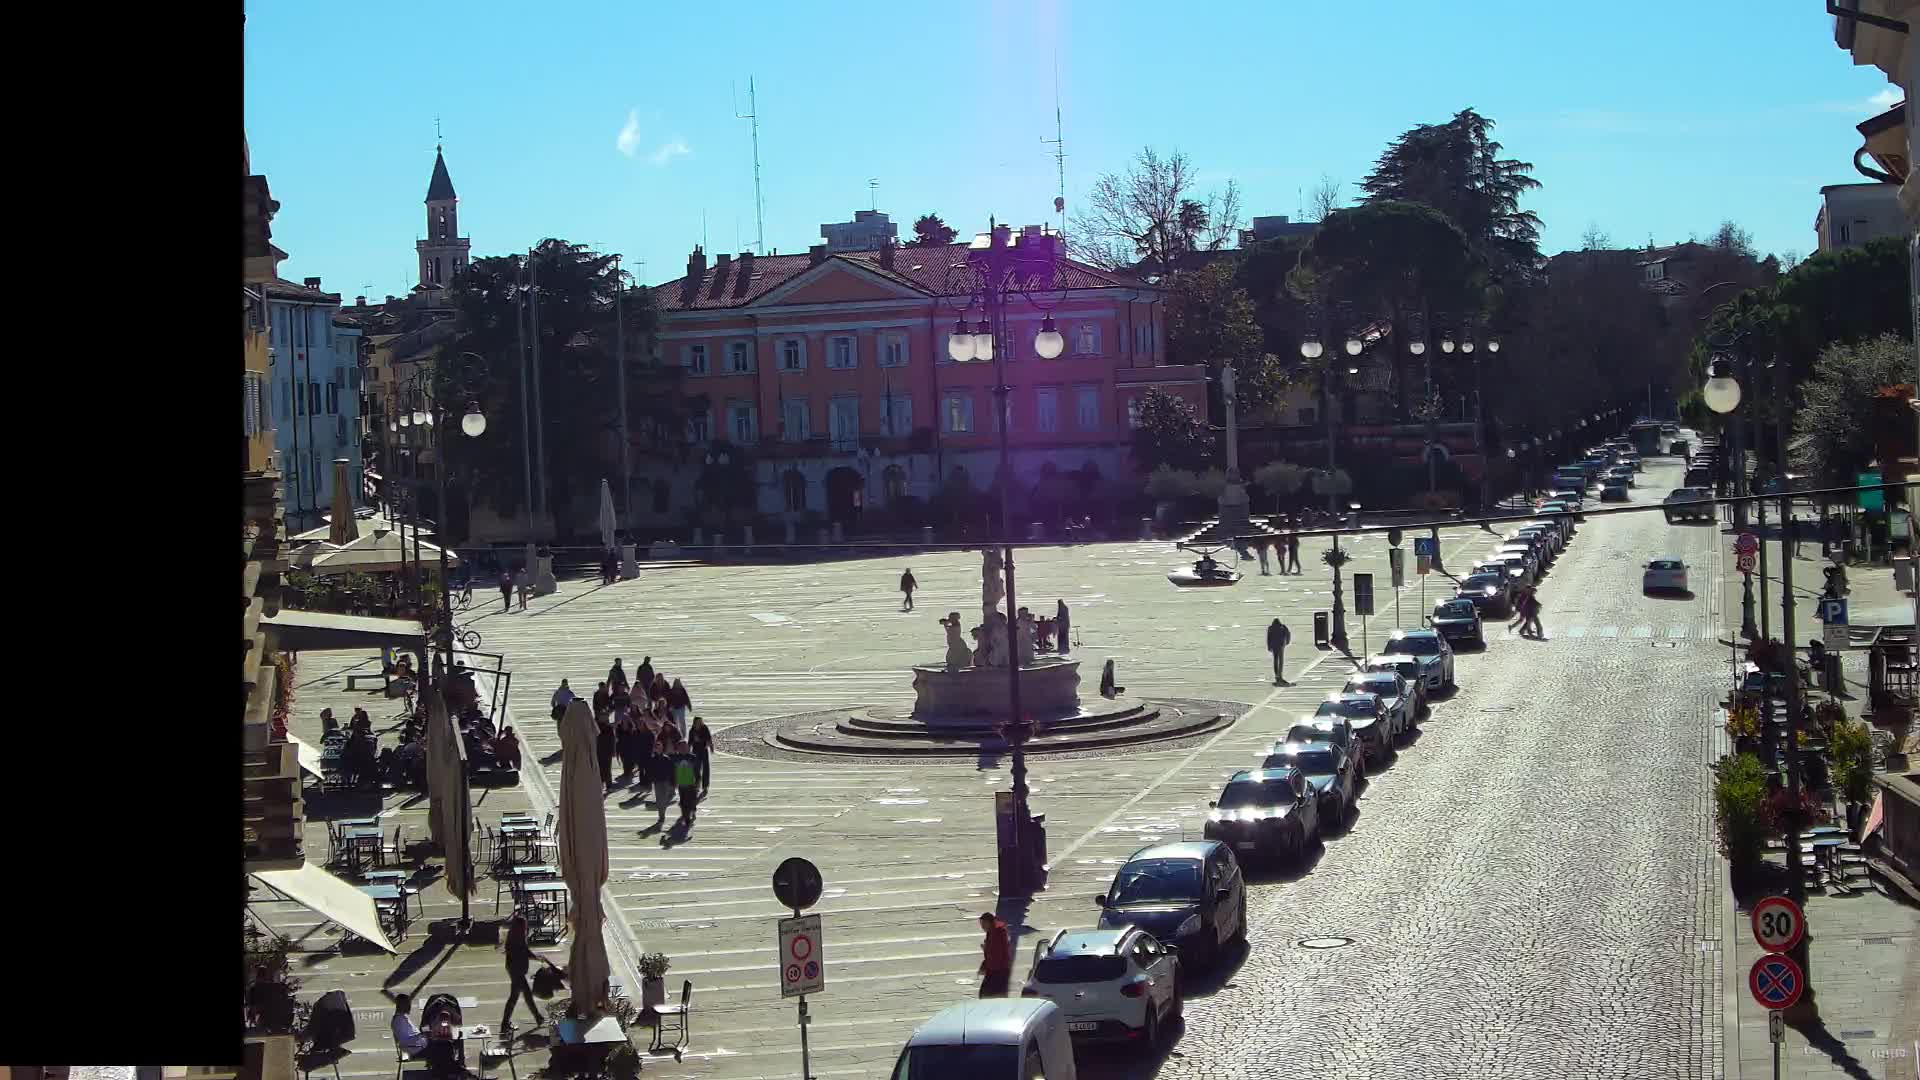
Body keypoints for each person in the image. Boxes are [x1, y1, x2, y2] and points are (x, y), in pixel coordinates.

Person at [500, 911, 546, 1030]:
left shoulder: (514, 938)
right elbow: (525, 952)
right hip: (517, 971)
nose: (526, 928)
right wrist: (536, 957)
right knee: (524, 996)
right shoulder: (517, 940)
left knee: (517, 997)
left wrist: (536, 956)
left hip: (515, 970)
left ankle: (506, 1023)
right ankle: (537, 1017)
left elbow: (525, 952)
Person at [976, 912, 1013, 997]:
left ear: (989, 922)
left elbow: (996, 953)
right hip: (994, 969)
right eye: (981, 924)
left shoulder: (998, 932)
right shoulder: (991, 931)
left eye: (983, 923)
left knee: (989, 995)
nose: (982, 926)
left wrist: (986, 949)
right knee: (986, 994)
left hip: (998, 970)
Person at [672, 740, 701, 824]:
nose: (684, 749)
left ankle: (693, 809)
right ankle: (686, 817)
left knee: (692, 799)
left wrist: (698, 781)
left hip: (691, 783)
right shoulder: (675, 758)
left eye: (685, 747)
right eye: (681, 747)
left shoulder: (693, 757)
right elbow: (672, 771)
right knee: (683, 801)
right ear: (678, 749)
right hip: (681, 783)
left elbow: (697, 771)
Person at [648, 743, 676, 826]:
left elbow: (672, 771)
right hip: (658, 782)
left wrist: (673, 782)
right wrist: (651, 779)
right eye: (656, 748)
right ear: (655, 749)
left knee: (664, 799)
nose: (658, 749)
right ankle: (661, 816)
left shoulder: (666, 759)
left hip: (666, 781)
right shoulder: (652, 759)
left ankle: (663, 811)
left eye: (659, 748)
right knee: (659, 799)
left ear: (662, 748)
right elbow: (650, 771)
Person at [688, 715, 714, 793]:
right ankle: (697, 784)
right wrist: (688, 750)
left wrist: (711, 747)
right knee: (696, 768)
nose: (700, 723)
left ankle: (705, 785)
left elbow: (709, 738)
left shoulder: (704, 728)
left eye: (701, 721)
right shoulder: (692, 730)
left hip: (704, 750)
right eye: (698, 721)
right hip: (695, 751)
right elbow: (690, 741)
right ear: (695, 722)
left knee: (706, 768)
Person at [595, 709, 616, 793]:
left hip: (607, 751)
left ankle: (609, 785)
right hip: (598, 750)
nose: (604, 718)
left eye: (605, 716)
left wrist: (614, 751)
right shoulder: (595, 726)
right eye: (602, 716)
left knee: (607, 768)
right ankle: (599, 784)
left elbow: (613, 740)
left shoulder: (609, 728)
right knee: (598, 768)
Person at [1268, 618, 1291, 685]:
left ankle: (1277, 676)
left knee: (1275, 660)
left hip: (1274, 646)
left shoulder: (1271, 628)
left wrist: (1269, 647)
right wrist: (1287, 642)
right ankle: (1279, 676)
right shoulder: (1282, 627)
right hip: (1280, 645)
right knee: (1280, 661)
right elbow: (1288, 634)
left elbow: (1268, 638)